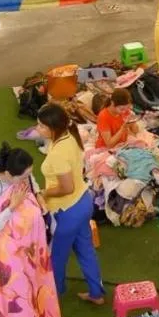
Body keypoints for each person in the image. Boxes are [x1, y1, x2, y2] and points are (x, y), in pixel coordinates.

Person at [0, 144, 63, 317]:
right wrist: (12, 207)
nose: (27, 178)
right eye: (23, 176)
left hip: (34, 248)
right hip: (9, 256)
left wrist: (40, 201)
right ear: (7, 174)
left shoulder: (24, 177)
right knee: (18, 297)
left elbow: (35, 187)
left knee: (39, 289)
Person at [34, 103, 104, 303]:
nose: (37, 128)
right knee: (85, 250)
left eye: (40, 125)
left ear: (52, 128)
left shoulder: (58, 152)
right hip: (83, 202)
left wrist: (43, 193)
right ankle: (96, 293)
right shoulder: (69, 137)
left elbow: (66, 187)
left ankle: (53, 296)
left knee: (56, 257)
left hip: (67, 211)